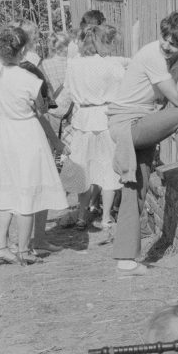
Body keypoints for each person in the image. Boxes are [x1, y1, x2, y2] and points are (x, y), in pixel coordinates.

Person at [107, 11, 178, 277]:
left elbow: (171, 95)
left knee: (136, 188)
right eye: (165, 38)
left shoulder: (169, 56)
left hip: (140, 121)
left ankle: (125, 258)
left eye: (175, 43)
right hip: (128, 125)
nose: (167, 45)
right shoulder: (154, 55)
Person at [0, 25, 68, 266]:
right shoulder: (29, 79)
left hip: (2, 131)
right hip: (25, 133)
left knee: (7, 189)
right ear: (22, 51)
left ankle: (0, 246)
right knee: (27, 190)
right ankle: (23, 249)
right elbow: (41, 109)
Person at [65, 24, 126, 235]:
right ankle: (106, 216)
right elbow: (122, 87)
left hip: (83, 119)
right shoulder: (109, 65)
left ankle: (82, 215)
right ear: (103, 43)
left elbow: (69, 90)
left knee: (84, 169)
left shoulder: (73, 64)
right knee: (108, 168)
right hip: (104, 117)